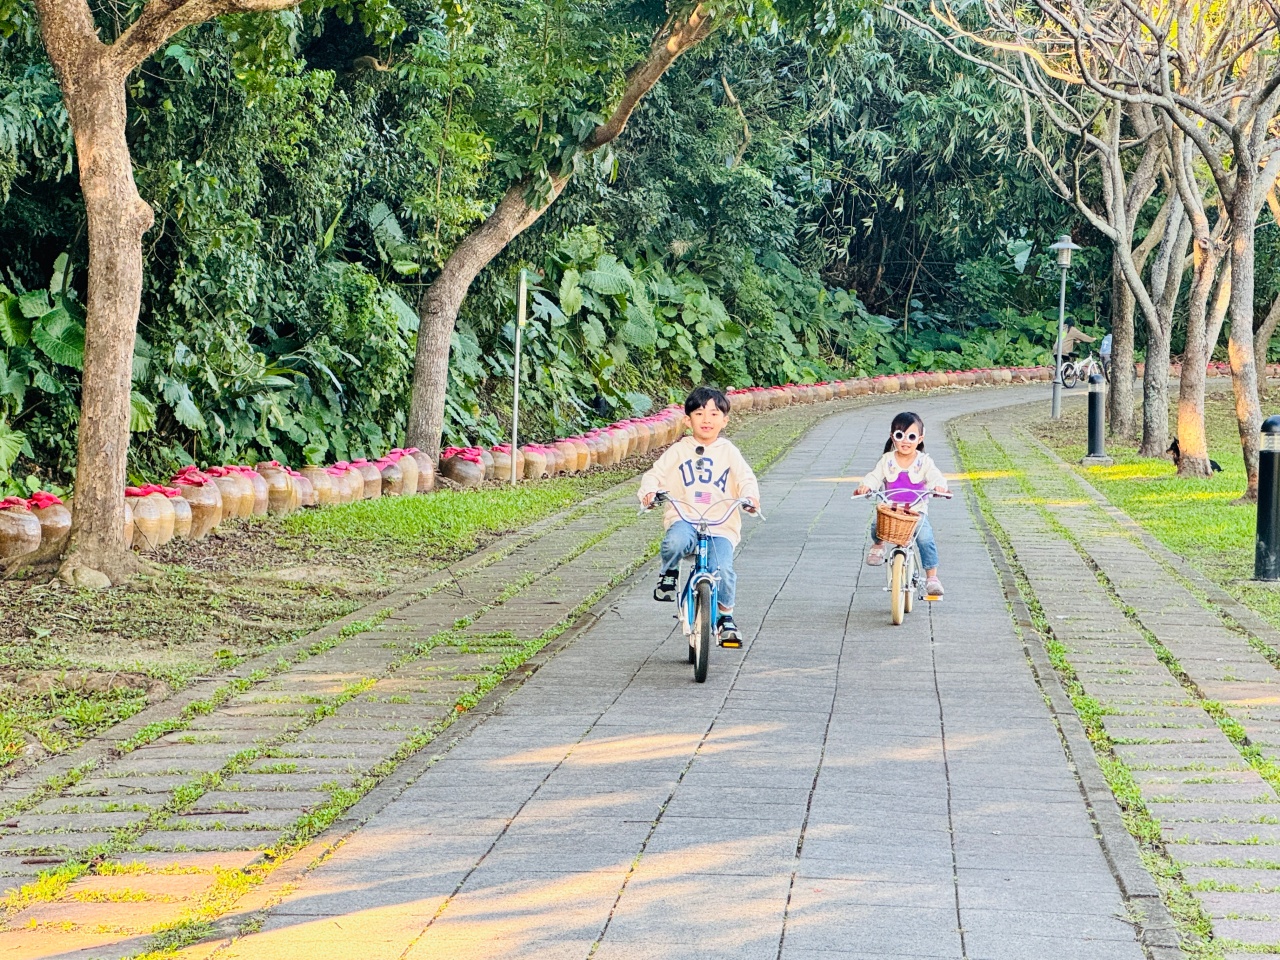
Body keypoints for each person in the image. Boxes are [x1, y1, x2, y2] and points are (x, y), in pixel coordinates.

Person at [639, 386, 760, 645]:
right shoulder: (679, 451)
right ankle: (669, 573)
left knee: (723, 570)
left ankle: (725, 617)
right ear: (687, 419)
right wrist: (650, 492)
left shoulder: (729, 452)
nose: (707, 420)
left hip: (720, 524)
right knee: (675, 541)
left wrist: (750, 499)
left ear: (724, 420)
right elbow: (654, 475)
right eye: (699, 413)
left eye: (714, 414)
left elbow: (746, 479)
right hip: (686, 518)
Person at [854, 411, 949, 597]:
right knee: (877, 525)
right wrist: (866, 486)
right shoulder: (887, 460)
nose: (905, 441)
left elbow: (935, 476)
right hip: (891, 509)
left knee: (925, 537)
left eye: (911, 436)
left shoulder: (924, 462)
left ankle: (932, 577)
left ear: (920, 439)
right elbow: (874, 476)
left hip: (916, 511)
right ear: (892, 437)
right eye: (900, 435)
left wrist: (940, 487)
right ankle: (879, 546)